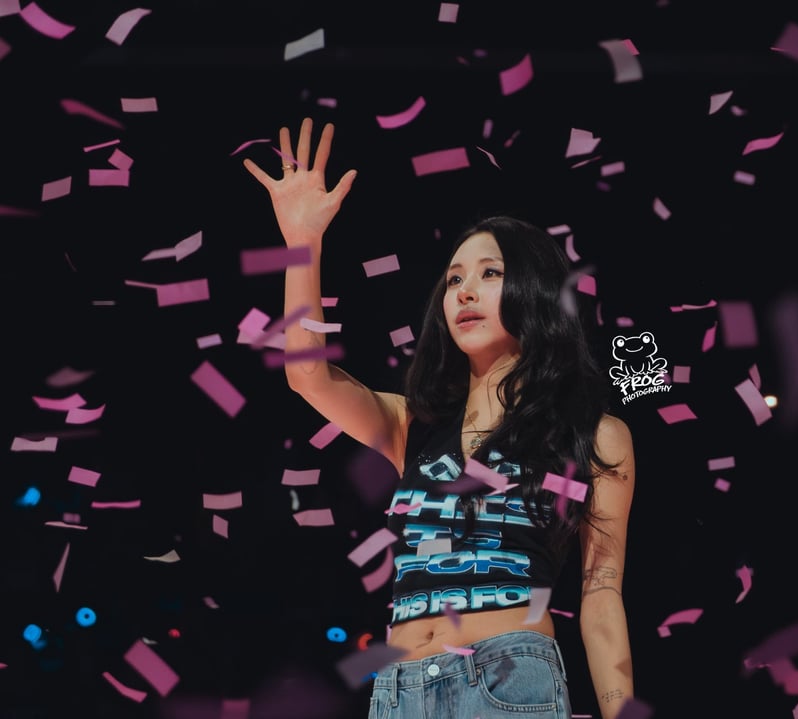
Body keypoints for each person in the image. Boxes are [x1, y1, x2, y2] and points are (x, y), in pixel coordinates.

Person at [243, 117, 636, 719]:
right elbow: (306, 373)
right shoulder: (414, 425)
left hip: (508, 681)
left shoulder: (594, 434)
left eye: (490, 273)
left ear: (534, 291)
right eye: (454, 279)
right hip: (399, 688)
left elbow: (601, 594)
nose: (465, 291)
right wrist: (303, 242)